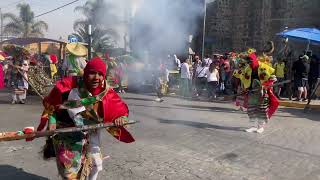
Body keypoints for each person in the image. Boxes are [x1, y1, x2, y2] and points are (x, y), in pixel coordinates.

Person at [35, 57, 135, 180]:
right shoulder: (72, 88)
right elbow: (71, 114)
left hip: (92, 134)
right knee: (70, 173)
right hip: (69, 133)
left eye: (100, 74)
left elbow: (120, 109)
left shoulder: (106, 90)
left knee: (96, 165)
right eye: (92, 73)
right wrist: (52, 119)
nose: (96, 78)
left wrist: (121, 118)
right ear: (86, 73)